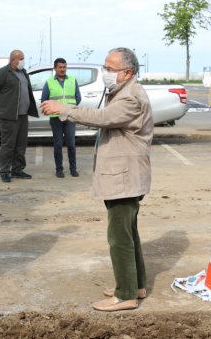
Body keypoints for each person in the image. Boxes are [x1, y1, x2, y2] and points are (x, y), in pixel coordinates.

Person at [41, 48, 152, 312]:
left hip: (124, 178)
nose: (105, 73)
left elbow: (103, 118)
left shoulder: (131, 97)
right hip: (124, 175)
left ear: (127, 72)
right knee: (128, 232)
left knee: (119, 236)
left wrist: (65, 109)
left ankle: (125, 295)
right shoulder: (123, 91)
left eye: (110, 69)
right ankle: (135, 284)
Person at [0, 49, 39, 182]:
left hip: (23, 115)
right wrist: (2, 105)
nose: (23, 61)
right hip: (9, 115)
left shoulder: (23, 72)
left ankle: (17, 169)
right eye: (21, 58)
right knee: (8, 144)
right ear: (13, 60)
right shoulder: (3, 73)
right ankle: (5, 171)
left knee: (21, 144)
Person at [40, 57, 82, 178]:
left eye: (64, 67)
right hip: (55, 118)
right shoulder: (49, 82)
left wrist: (69, 109)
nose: (62, 69)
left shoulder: (73, 80)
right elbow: (44, 99)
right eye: (60, 67)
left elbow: (78, 98)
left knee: (71, 144)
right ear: (55, 68)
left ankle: (73, 169)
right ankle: (59, 170)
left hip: (70, 116)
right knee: (58, 144)